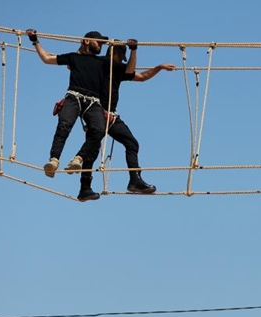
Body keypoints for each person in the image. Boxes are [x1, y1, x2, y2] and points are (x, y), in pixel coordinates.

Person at [26, 29, 110, 202]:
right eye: (98, 41)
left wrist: (130, 48)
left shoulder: (103, 63)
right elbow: (47, 59)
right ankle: (54, 160)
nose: (101, 44)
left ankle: (78, 158)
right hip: (74, 95)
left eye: (102, 43)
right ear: (87, 41)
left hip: (94, 101)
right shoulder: (74, 58)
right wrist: (35, 41)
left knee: (100, 130)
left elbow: (126, 70)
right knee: (64, 125)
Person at [97, 40, 175, 194]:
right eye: (121, 58)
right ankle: (84, 180)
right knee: (92, 148)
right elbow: (131, 70)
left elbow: (141, 76)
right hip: (97, 112)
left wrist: (159, 67)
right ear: (117, 54)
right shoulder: (98, 65)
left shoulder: (117, 71)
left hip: (110, 116)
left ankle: (135, 180)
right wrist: (134, 50)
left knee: (132, 143)